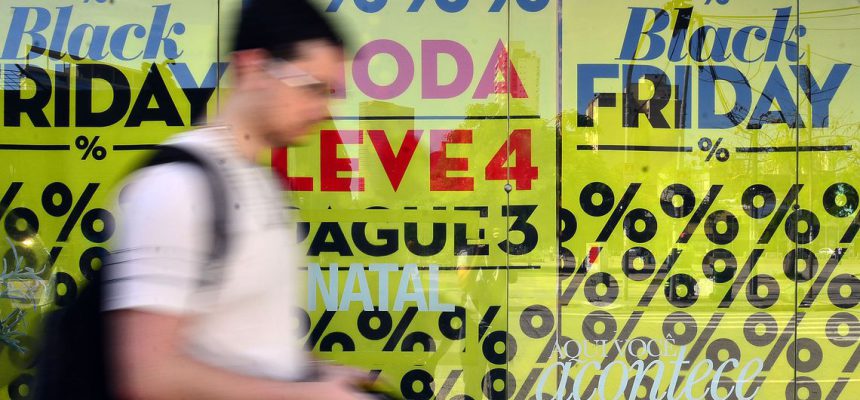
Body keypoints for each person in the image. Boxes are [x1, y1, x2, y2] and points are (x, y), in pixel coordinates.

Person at [101, 1, 373, 398]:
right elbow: (148, 377)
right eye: (313, 87)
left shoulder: (258, 182)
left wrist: (317, 375)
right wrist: (306, 396)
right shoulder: (177, 186)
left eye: (330, 92)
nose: (323, 109)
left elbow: (242, 344)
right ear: (252, 67)